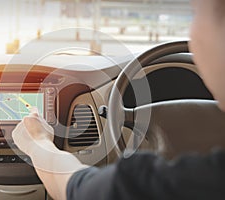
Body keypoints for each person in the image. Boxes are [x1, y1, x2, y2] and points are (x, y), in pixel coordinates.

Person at [12, 0, 225, 199]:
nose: (192, 32)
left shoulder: (181, 183)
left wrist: (37, 141)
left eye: (195, 13)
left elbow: (75, 188)